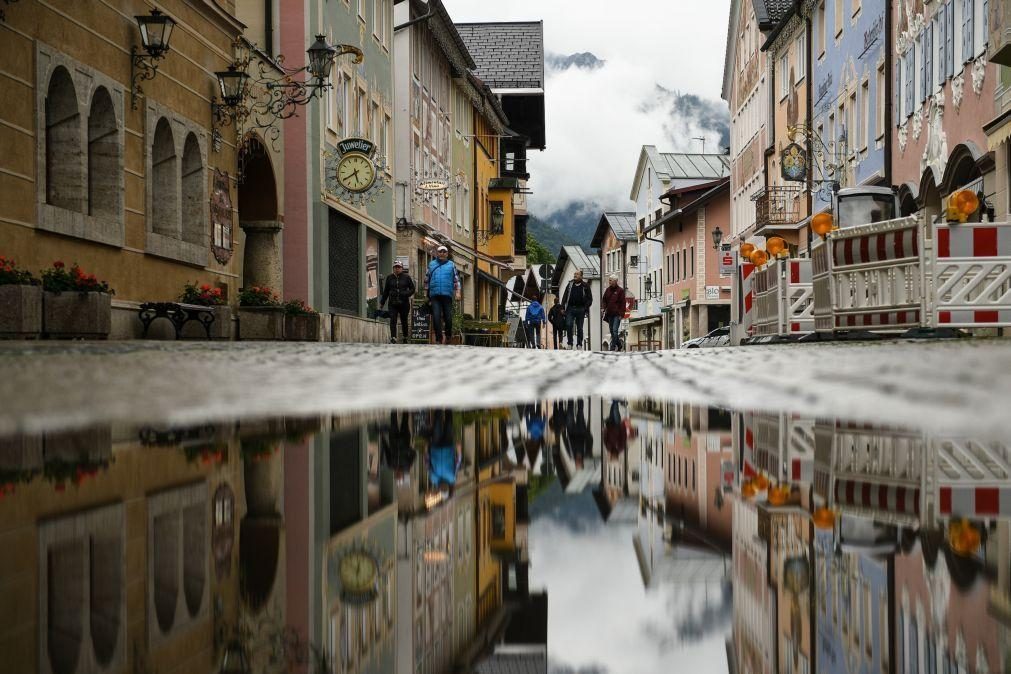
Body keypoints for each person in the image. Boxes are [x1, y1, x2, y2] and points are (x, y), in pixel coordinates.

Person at [426, 245, 461, 345]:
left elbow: (456, 279)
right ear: (437, 253)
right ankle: (438, 338)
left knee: (448, 317)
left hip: (447, 294)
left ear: (447, 254)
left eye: (444, 252)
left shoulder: (451, 265)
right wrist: (426, 294)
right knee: (436, 317)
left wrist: (458, 292)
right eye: (440, 252)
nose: (442, 253)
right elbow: (426, 279)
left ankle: (448, 335)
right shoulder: (432, 264)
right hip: (434, 295)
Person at [379, 261, 415, 343]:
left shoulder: (406, 277)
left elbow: (412, 289)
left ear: (402, 268)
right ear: (393, 268)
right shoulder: (389, 277)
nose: (397, 269)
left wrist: (406, 294)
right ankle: (393, 337)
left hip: (404, 303)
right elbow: (386, 291)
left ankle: (405, 337)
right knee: (393, 320)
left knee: (404, 320)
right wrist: (382, 302)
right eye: (395, 267)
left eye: (399, 267)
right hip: (393, 303)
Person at [561, 270, 592, 349]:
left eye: (577, 274)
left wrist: (585, 308)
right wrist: (562, 307)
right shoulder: (570, 284)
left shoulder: (585, 286)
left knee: (579, 327)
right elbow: (565, 296)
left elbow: (590, 299)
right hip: (570, 308)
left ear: (581, 276)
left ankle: (579, 344)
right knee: (568, 325)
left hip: (580, 308)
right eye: (574, 274)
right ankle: (570, 343)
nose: (575, 275)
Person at [602, 274, 626, 351]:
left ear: (615, 281)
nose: (609, 282)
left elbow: (623, 303)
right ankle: (619, 345)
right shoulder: (607, 290)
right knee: (612, 331)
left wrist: (622, 314)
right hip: (609, 314)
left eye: (610, 280)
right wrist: (603, 308)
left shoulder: (620, 291)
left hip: (617, 314)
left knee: (615, 330)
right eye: (609, 280)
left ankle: (612, 347)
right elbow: (604, 300)